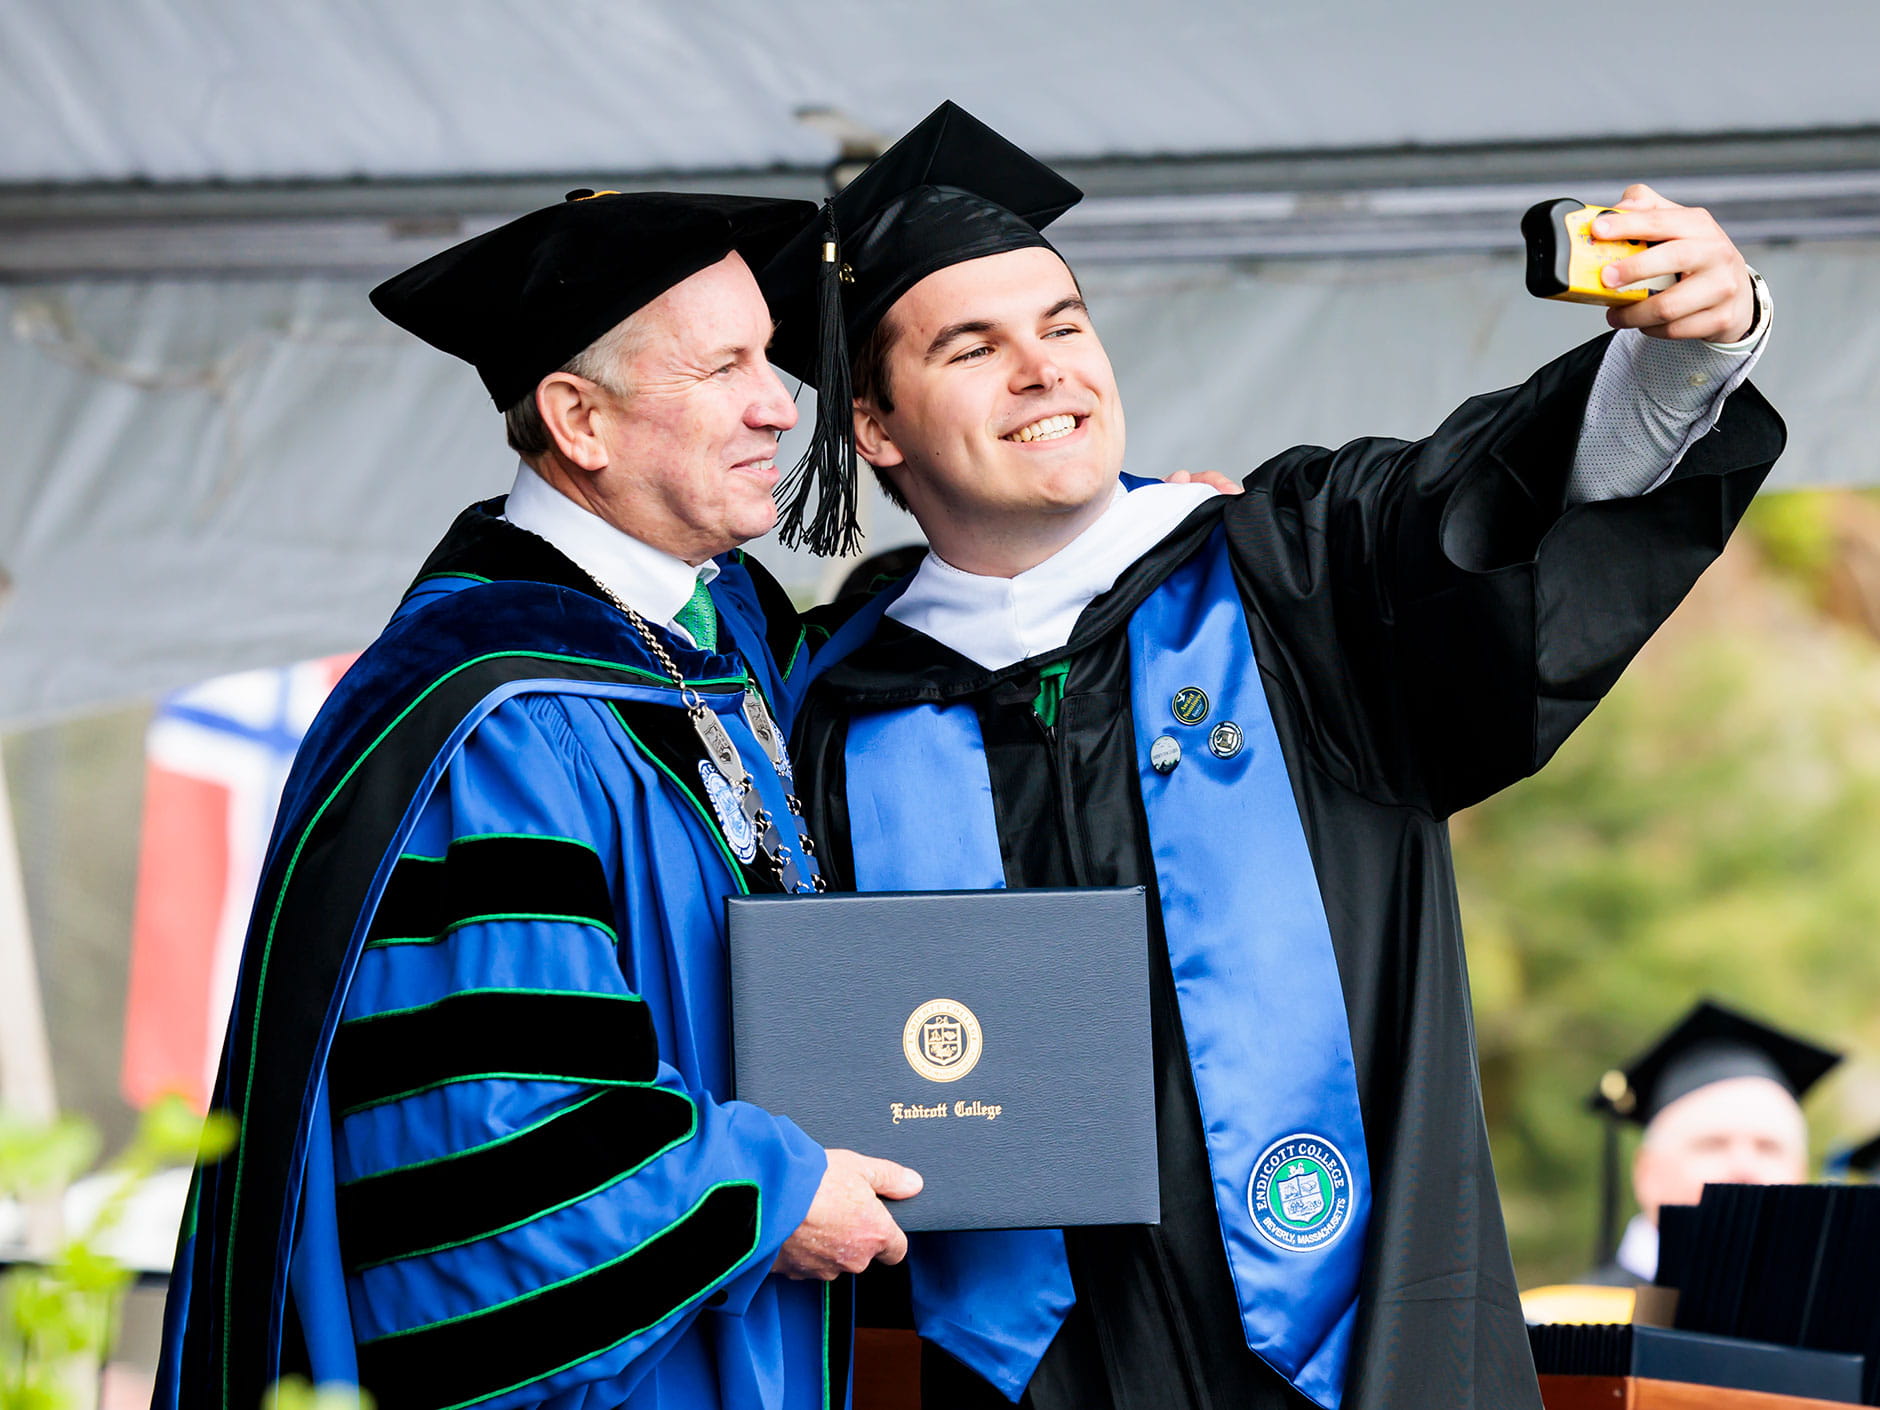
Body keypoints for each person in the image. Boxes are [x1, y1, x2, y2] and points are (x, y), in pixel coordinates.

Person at [759, 102, 1785, 1410]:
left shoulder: (1292, 574)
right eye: (973, 347)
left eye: (1064, 326)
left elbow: (1504, 493)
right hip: (1007, 1376)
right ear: (874, 426)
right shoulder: (829, 709)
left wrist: (1688, 351)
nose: (1043, 371)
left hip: (1361, 1359)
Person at [154, 190, 927, 1410]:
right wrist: (771, 1199)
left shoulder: (718, 633)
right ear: (578, 420)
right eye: (723, 367)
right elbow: (497, 1138)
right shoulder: (494, 717)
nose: (781, 404)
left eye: (767, 358)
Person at [1581, 999, 1840, 1288]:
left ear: (1801, 1175)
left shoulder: (1837, 1312)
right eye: (1713, 1145)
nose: (1744, 1168)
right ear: (1647, 1173)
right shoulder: (1565, 1312)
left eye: (1768, 1148)